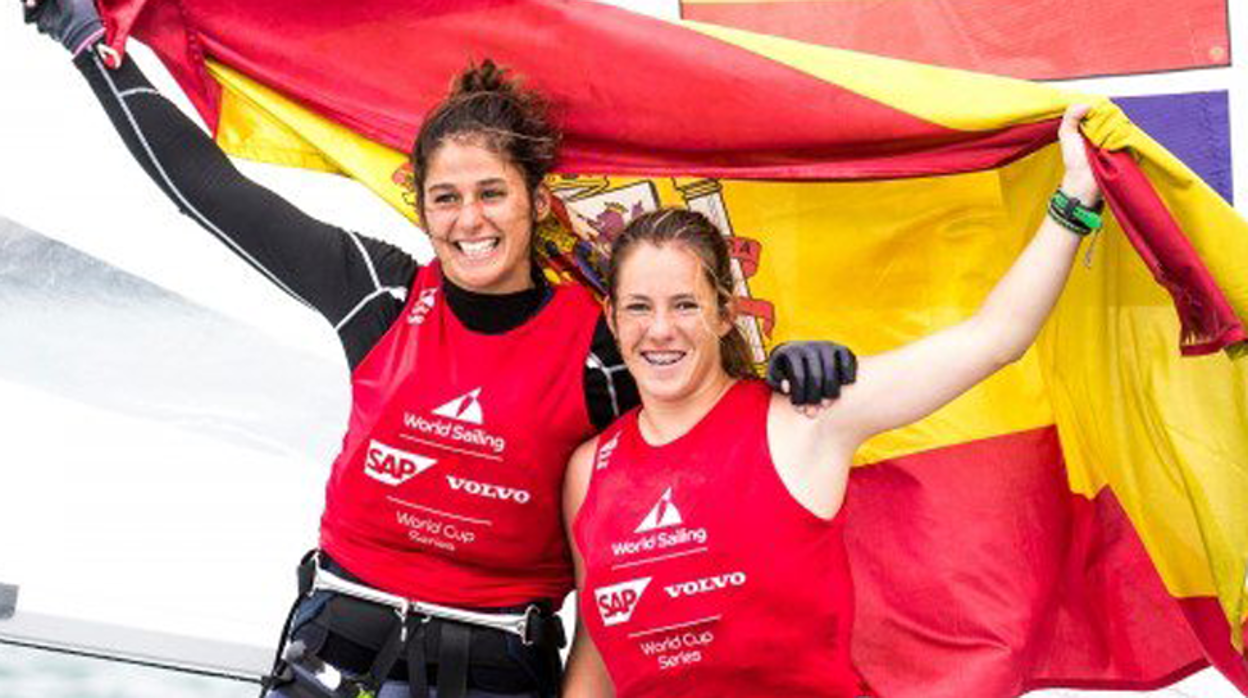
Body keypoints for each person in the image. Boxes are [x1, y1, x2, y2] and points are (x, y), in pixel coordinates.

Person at [19, 2, 857, 697]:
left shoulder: (604, 344)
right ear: (420, 207)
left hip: (495, 669)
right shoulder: (379, 295)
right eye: (445, 198)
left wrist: (795, 374)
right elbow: (210, 193)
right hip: (333, 655)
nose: (470, 219)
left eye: (492, 193)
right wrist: (87, 43)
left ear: (535, 199)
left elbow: (714, 414)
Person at [562, 105, 1102, 697]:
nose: (660, 329)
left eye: (685, 305)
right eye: (639, 307)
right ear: (612, 318)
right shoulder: (591, 470)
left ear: (724, 313)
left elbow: (995, 337)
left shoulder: (805, 420)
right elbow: (597, 659)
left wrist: (1074, 199)